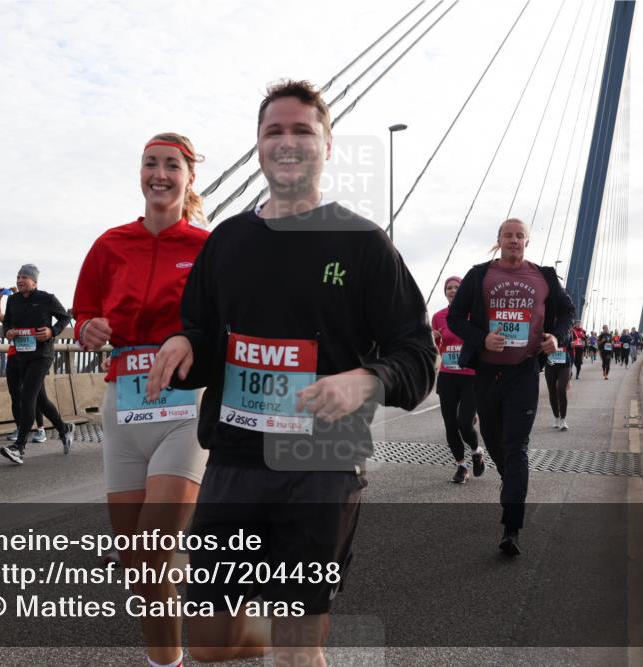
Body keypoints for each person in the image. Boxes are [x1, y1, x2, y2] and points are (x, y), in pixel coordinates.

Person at [145, 80, 435, 664]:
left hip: (321, 463)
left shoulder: (364, 244)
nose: (288, 141)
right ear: (258, 146)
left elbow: (417, 353)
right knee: (207, 644)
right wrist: (182, 342)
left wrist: (367, 379)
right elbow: (202, 329)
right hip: (234, 460)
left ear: (327, 144)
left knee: (297, 648)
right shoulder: (227, 240)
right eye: (274, 130)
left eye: (302, 129)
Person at [73, 132, 210, 667]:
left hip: (183, 411)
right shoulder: (111, 245)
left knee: (153, 546)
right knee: (138, 567)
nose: (160, 173)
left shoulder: (206, 247)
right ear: (140, 174)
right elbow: (82, 312)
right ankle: (167, 662)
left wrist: (191, 340)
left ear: (188, 177)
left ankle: (227, 619)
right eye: (150, 163)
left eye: (171, 165)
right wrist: (88, 327)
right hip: (122, 407)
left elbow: (225, 322)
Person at [448, 217, 575, 557]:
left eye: (520, 236)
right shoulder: (479, 275)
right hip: (488, 374)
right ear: (499, 239)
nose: (514, 241)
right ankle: (511, 482)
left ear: (528, 242)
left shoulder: (544, 276)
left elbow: (568, 314)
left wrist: (554, 337)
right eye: (508, 235)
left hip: (523, 373)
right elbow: (454, 318)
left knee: (516, 445)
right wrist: (481, 337)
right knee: (494, 442)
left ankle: (511, 528)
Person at [0, 264, 74, 464]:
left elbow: (65, 317)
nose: (19, 280)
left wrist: (52, 331)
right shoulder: (13, 300)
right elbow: (7, 322)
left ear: (34, 281)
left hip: (42, 355)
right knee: (40, 400)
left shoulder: (46, 298)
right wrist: (8, 331)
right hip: (21, 355)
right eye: (18, 276)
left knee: (27, 396)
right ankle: (64, 428)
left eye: (24, 277)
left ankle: (19, 447)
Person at [431, 276, 484, 484]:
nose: (452, 290)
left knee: (464, 423)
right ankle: (461, 466)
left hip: (470, 376)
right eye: (449, 288)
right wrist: (433, 337)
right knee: (450, 425)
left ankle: (476, 451)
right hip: (447, 376)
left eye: (456, 287)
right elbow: (437, 346)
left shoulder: (474, 315)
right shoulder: (438, 316)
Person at [0, 288, 49, 444]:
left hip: (33, 358)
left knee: (36, 395)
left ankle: (40, 429)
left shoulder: (31, 316)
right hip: (14, 357)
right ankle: (20, 428)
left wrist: (19, 295)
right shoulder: (11, 321)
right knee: (16, 395)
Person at [545, 333, 572, 430]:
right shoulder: (548, 328)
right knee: (552, 392)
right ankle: (556, 417)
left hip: (565, 364)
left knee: (561, 390)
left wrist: (570, 376)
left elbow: (571, 350)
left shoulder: (568, 330)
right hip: (550, 364)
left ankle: (563, 419)